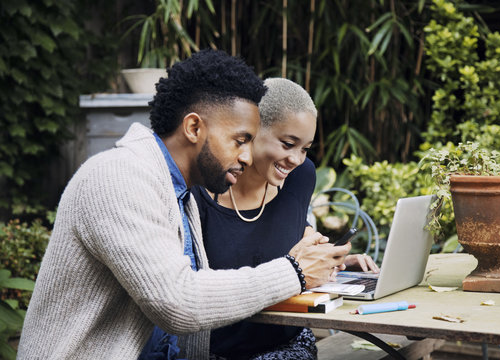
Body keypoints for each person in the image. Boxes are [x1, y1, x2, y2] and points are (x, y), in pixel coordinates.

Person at [17, 50, 351, 360]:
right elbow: (178, 302)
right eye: (240, 140)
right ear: (193, 127)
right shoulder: (118, 176)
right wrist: (294, 271)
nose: (247, 156)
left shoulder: (175, 189)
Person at [191, 78, 379, 359]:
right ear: (252, 130)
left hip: (289, 343)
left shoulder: (300, 178)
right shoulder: (199, 192)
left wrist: (330, 261)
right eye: (288, 144)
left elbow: (283, 242)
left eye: (305, 148)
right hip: (217, 351)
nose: (296, 159)